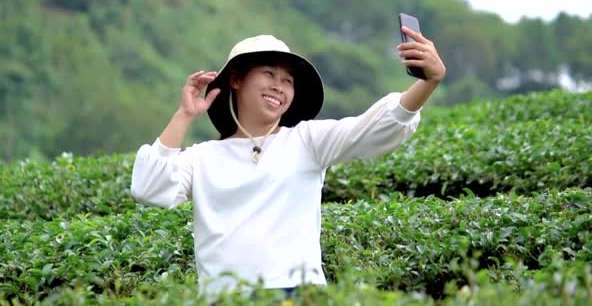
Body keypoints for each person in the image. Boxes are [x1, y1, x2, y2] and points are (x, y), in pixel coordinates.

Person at [130, 28, 446, 299]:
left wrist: (427, 83)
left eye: (288, 81)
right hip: (225, 297)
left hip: (299, 293)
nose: (279, 87)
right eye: (268, 74)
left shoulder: (307, 142)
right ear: (237, 79)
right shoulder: (203, 158)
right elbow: (150, 188)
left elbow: (373, 129)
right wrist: (184, 115)